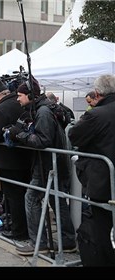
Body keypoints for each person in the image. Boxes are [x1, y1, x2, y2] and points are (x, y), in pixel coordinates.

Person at [8, 78, 77, 256]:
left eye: (20, 95)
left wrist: (20, 135)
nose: (18, 99)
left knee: (31, 198)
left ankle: (39, 242)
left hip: (47, 165)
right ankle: (68, 240)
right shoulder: (43, 108)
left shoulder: (43, 111)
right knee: (57, 200)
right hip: (52, 164)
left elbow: (42, 140)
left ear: (30, 95)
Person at [68, 74, 115, 266]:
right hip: (104, 180)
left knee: (102, 226)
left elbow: (74, 135)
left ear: (97, 93)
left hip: (103, 183)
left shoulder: (96, 114)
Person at [0, 79, 31, 240]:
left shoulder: (3, 108)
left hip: (9, 160)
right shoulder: (18, 103)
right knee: (24, 196)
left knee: (14, 197)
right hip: (25, 159)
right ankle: (26, 229)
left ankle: (19, 231)